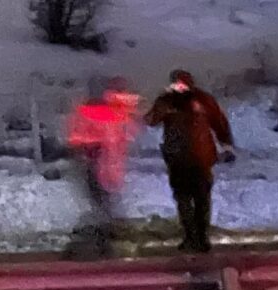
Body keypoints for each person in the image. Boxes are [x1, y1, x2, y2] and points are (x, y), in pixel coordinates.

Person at [147, 71, 234, 254]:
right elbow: (151, 119)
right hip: (178, 159)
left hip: (199, 158)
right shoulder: (167, 101)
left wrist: (226, 144)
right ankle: (190, 237)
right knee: (184, 199)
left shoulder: (202, 100)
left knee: (201, 199)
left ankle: (201, 237)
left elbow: (218, 121)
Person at [66, 80, 139, 258]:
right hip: (106, 166)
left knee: (101, 200)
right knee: (105, 200)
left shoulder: (88, 113)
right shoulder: (112, 114)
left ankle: (102, 235)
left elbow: (77, 138)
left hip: (97, 164)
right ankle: (106, 235)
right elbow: (125, 133)